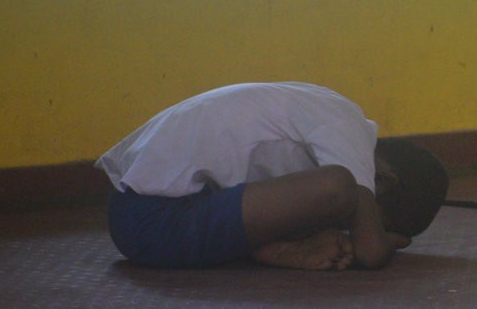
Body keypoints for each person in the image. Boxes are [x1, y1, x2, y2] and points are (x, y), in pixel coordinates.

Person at [97, 82, 449, 271]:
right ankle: (274, 249)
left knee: (321, 196)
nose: (349, 228)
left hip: (152, 208)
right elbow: (370, 253)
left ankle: (269, 248)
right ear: (384, 180)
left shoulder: (329, 109)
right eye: (374, 218)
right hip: (152, 221)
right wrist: (387, 242)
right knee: (337, 189)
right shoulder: (349, 134)